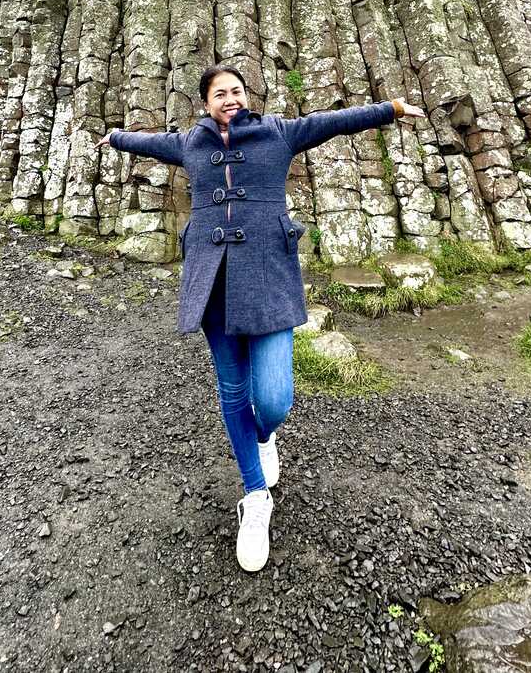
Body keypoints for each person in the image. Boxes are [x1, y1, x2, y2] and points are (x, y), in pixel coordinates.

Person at [96, 66, 425, 571]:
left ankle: (264, 436)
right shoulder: (189, 143)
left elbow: (335, 120)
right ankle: (255, 496)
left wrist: (392, 109)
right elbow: (145, 142)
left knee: (273, 398)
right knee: (231, 391)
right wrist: (115, 137)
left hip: (269, 276)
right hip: (212, 278)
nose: (229, 98)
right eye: (218, 93)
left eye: (236, 91)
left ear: (246, 97)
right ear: (205, 102)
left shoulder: (278, 132)